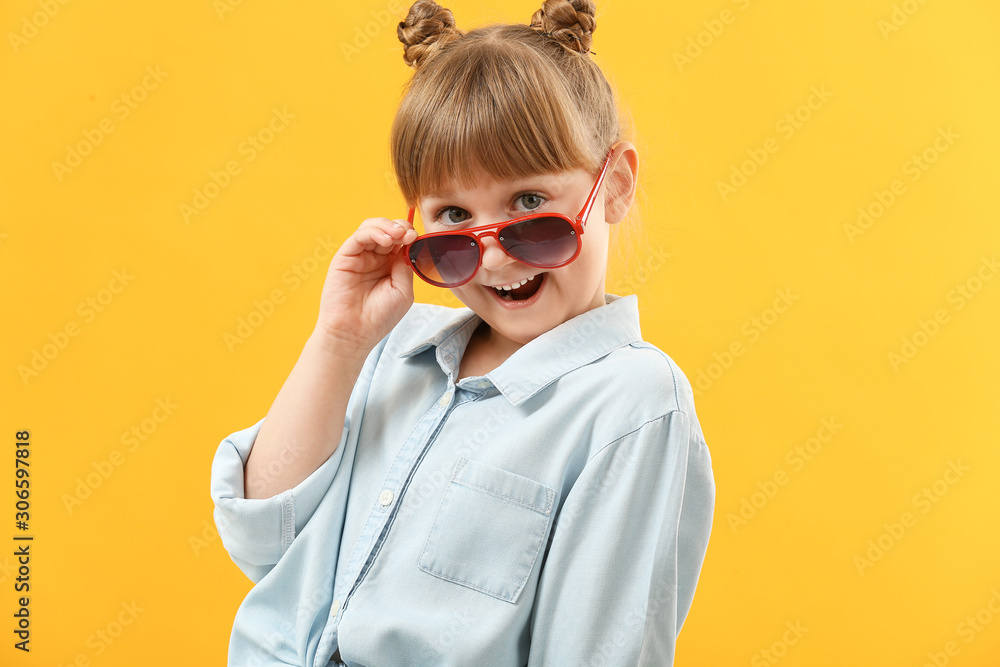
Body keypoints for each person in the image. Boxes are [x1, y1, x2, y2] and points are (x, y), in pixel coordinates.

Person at [210, 1, 716, 665]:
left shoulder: (632, 401)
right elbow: (265, 540)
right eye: (453, 215)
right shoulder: (393, 350)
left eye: (530, 205)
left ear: (613, 186)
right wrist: (338, 341)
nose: (498, 256)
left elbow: (596, 650)